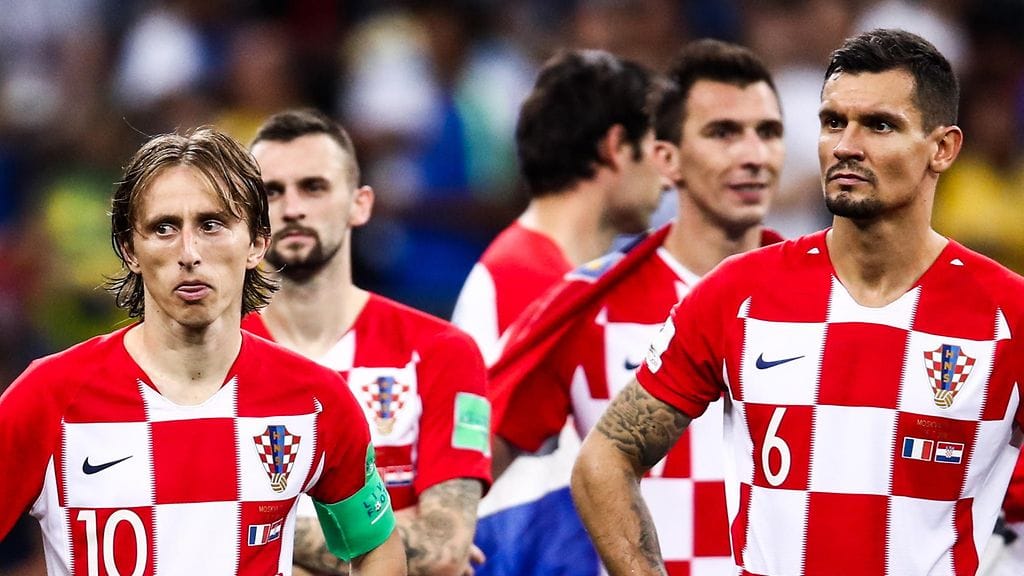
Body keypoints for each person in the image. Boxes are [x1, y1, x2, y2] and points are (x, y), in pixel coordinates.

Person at [572, 28, 1024, 576]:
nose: (846, 146)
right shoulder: (739, 293)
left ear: (943, 148)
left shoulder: (1008, 313)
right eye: (833, 122)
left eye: (879, 125)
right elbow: (605, 456)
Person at [0, 128, 406, 574]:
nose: (189, 252)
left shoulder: (315, 400)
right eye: (164, 228)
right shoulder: (49, 396)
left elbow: (375, 547)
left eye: (211, 225)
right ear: (130, 250)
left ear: (257, 243)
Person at [489, 39, 785, 575]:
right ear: (666, 159)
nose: (754, 156)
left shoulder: (821, 296)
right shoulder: (588, 304)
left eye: (768, 132)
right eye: (723, 132)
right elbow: (474, 459)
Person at [243, 109, 491, 576]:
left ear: (360, 204)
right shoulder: (211, 360)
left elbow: (442, 550)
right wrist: (397, 535)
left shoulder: (442, 351)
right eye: (272, 192)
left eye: (314, 187)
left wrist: (251, 524)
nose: (292, 208)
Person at [449, 49, 664, 575]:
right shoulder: (530, 279)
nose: (668, 172)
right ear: (617, 147)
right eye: (657, 145)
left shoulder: (540, 268)